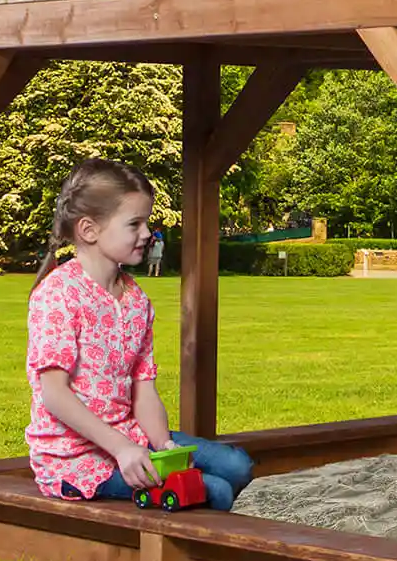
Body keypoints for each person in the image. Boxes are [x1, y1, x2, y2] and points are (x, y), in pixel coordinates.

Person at [24, 158, 252, 512]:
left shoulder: (136, 300)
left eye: (146, 222)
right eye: (135, 223)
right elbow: (54, 395)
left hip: (134, 438)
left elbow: (143, 386)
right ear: (89, 230)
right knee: (217, 491)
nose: (147, 233)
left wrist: (162, 445)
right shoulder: (58, 295)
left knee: (237, 466)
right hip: (74, 457)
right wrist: (121, 448)